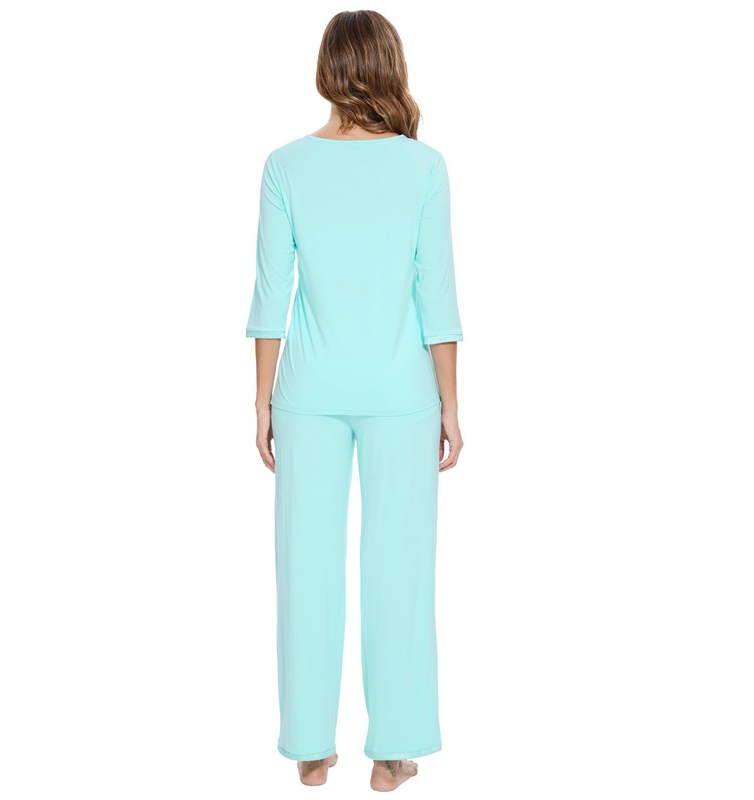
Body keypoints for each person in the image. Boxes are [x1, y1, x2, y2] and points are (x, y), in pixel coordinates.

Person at [245, 10, 464, 792]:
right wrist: (451, 404)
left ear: (327, 70)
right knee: (399, 569)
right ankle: (391, 752)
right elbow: (437, 297)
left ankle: (310, 746)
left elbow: (271, 296)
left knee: (304, 567)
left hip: (307, 392)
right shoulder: (424, 167)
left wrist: (262, 402)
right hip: (402, 393)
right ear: (388, 66)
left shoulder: (285, 166)